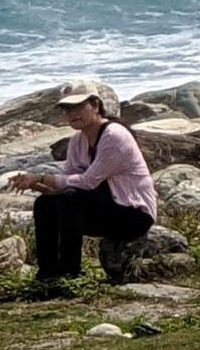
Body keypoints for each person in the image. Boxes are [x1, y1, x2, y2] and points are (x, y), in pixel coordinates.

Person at [11, 82, 155, 290]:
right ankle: (48, 274)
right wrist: (36, 184)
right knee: (45, 204)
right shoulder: (77, 141)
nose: (72, 114)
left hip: (133, 214)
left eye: (78, 107)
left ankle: (71, 273)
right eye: (68, 109)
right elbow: (67, 183)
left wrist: (42, 176)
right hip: (103, 208)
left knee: (71, 200)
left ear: (95, 105)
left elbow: (88, 181)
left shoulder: (114, 135)